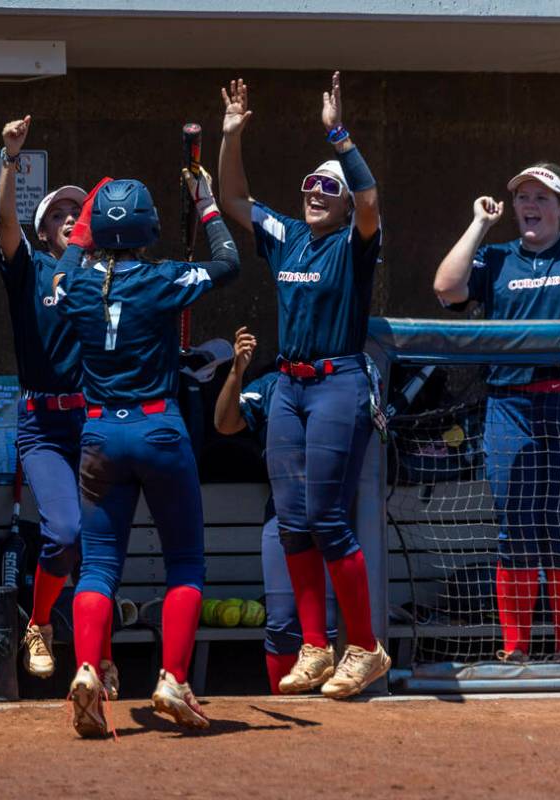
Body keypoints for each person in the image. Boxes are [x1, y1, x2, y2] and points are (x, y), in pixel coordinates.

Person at [219, 72, 390, 698]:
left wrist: (339, 137)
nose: (318, 193)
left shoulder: (353, 241)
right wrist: (232, 135)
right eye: (311, 185)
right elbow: (234, 200)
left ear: (343, 202)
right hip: (287, 387)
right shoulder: (288, 234)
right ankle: (315, 647)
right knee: (292, 521)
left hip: (337, 381)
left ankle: (364, 647)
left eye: (330, 188)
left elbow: (372, 201)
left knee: (325, 517)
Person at [55, 168, 239, 737]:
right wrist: (206, 203)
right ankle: (173, 679)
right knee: (184, 561)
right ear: (145, 226)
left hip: (100, 434)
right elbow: (228, 262)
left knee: (100, 566)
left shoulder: (77, 283)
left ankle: (88, 669)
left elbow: (58, 279)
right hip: (159, 430)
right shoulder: (161, 279)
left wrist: (81, 238)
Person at [432, 163, 560, 661]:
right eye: (523, 196)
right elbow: (446, 287)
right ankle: (515, 651)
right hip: (511, 405)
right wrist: (479, 224)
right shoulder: (497, 257)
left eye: (543, 197)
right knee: (515, 525)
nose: (530, 204)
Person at [0, 115, 118, 695]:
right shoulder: (33, 269)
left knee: (99, 543)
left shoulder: (105, 276)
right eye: (60, 214)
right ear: (44, 230)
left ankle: (99, 657)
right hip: (43, 421)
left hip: (95, 418)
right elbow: (3, 224)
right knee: (64, 531)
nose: (71, 217)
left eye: (80, 212)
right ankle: (40, 623)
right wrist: (9, 157)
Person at [213, 326, 338, 694]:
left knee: (328, 627)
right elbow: (225, 423)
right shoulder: (273, 383)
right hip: (283, 517)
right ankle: (287, 707)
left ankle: (332, 718)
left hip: (333, 521)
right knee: (282, 623)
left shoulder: (347, 379)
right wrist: (237, 371)